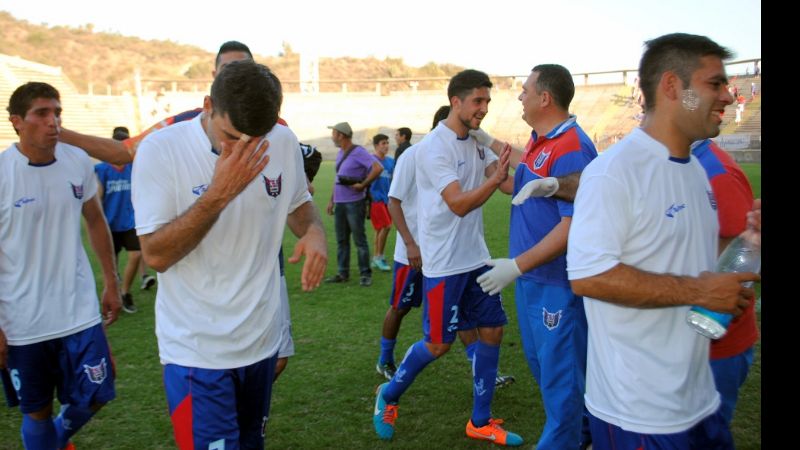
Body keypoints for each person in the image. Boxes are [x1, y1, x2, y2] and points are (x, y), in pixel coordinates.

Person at [566, 33, 759, 448]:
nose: (728, 95)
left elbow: (686, 260)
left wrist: (751, 242)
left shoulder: (694, 170)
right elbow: (588, 277)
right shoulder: (614, 172)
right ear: (672, 86)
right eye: (714, 84)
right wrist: (699, 290)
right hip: (639, 412)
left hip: (699, 397)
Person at [131, 60, 327, 449]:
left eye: (255, 139)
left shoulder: (282, 142)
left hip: (260, 341)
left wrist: (315, 231)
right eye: (230, 137)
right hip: (196, 352)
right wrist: (220, 192)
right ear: (207, 105)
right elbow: (155, 255)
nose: (243, 149)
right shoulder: (160, 151)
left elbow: (300, 203)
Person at [372, 69, 523, 447]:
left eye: (487, 101)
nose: (484, 108)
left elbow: (506, 184)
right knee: (439, 344)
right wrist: (493, 178)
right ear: (456, 102)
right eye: (478, 101)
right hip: (443, 263)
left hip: (476, 258)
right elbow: (457, 203)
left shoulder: (475, 140)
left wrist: (508, 161)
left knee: (493, 330)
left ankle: (480, 420)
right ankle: (388, 395)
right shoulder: (433, 148)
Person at [473, 64, 597, 450]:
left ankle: (566, 440)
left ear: (545, 98)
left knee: (561, 380)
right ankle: (586, 437)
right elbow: (515, 185)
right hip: (532, 280)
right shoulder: (543, 141)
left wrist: (517, 265)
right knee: (547, 371)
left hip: (555, 283)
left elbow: (573, 225)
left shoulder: (572, 147)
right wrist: (484, 146)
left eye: (525, 90)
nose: (520, 96)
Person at [1, 81, 122, 450]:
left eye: (57, 112)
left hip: (78, 310)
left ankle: (49, 441)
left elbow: (96, 221)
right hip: (23, 320)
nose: (53, 121)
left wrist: (111, 282)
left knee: (101, 390)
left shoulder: (76, 160)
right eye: (42, 113)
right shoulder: (3, 173)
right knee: (35, 410)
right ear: (17, 121)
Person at [93, 126, 153, 314]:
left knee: (136, 255)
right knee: (112, 262)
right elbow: (97, 196)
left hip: (130, 221)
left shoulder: (134, 166)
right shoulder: (101, 169)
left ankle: (125, 292)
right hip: (109, 222)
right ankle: (113, 291)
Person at [325, 121, 383, 287]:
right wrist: (331, 200)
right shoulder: (340, 152)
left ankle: (365, 274)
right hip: (341, 202)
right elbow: (338, 178)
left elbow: (377, 168)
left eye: (334, 133)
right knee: (342, 240)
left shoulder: (358, 152)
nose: (332, 137)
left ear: (341, 135)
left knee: (359, 240)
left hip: (354, 203)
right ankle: (343, 273)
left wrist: (363, 184)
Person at [369, 133, 395, 272]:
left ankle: (376, 257)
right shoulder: (370, 161)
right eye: (383, 143)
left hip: (387, 199)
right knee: (387, 226)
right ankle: (379, 257)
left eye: (387, 143)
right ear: (376, 146)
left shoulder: (391, 162)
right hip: (376, 199)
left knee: (380, 229)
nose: (386, 146)